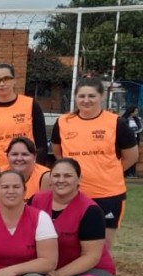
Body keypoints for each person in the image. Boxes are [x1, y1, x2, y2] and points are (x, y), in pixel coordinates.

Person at [32, 159, 116, 276]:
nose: (61, 180)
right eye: (57, 175)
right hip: (53, 266)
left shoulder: (90, 210)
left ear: (79, 179)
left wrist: (59, 274)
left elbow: (92, 256)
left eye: (68, 175)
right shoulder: (37, 200)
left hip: (94, 269)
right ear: (50, 178)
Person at [52, 78, 138, 247]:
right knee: (69, 244)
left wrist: (109, 171)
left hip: (108, 194)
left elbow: (132, 156)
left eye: (91, 96)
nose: (86, 100)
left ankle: (101, 274)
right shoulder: (63, 122)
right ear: (75, 97)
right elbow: (58, 153)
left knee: (102, 248)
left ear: (101, 97)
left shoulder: (116, 123)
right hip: (73, 194)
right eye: (81, 96)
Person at [0, 63, 48, 198]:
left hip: (26, 176)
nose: (2, 83)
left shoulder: (31, 105)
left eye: (6, 78)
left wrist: (35, 174)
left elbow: (42, 144)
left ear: (14, 81)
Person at [0, 137, 51, 207]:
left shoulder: (46, 176)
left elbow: (45, 211)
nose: (19, 158)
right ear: (7, 156)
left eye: (25, 154)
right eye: (14, 154)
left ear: (35, 157)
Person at [122, 106, 141, 178]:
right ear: (131, 111)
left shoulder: (137, 120)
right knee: (126, 156)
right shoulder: (123, 120)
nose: (136, 113)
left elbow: (140, 128)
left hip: (135, 140)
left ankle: (132, 173)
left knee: (134, 157)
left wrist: (134, 132)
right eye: (135, 111)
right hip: (126, 141)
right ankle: (125, 172)